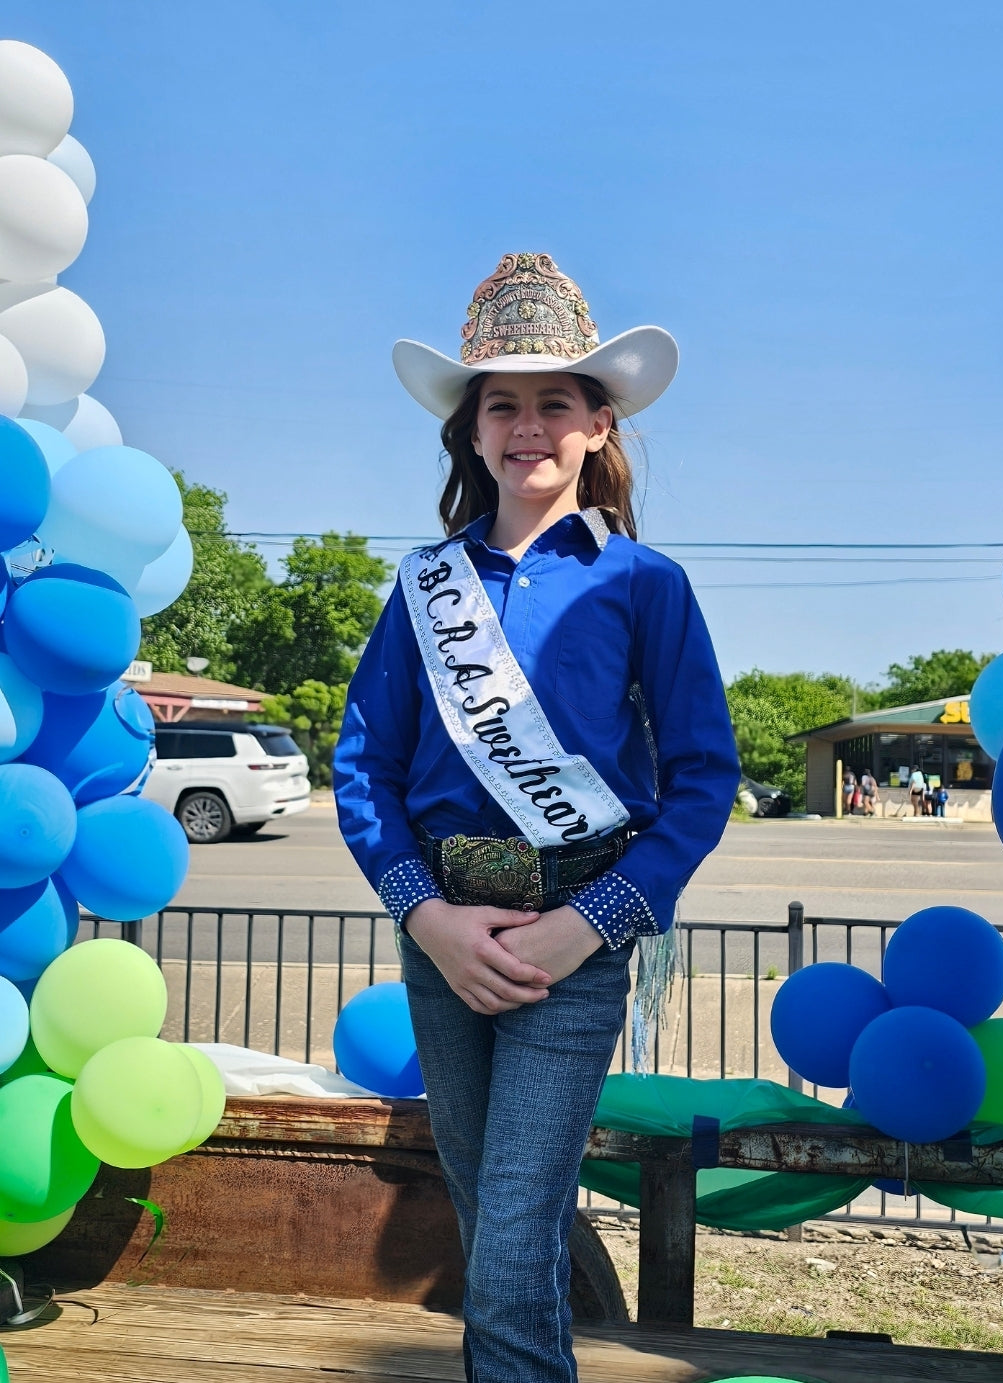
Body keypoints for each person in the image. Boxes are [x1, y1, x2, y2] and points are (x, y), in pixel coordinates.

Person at [333, 252, 740, 1383]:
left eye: (554, 401)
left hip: (575, 937)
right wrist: (427, 919)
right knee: (492, 1214)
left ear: (599, 425)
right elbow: (363, 767)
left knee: (513, 1226)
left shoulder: (644, 583)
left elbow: (704, 776)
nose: (527, 426)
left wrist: (590, 924)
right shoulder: (424, 587)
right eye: (500, 404)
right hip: (444, 939)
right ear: (469, 434)